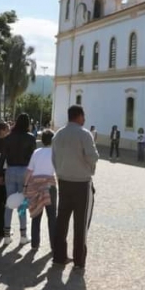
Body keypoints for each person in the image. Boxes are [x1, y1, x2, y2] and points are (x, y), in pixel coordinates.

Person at [51, 105, 99, 268]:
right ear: (79, 116)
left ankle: (59, 256)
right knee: (80, 223)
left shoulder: (58, 134)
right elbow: (93, 157)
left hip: (63, 182)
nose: (84, 119)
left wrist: (61, 172)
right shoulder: (84, 134)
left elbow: (54, 158)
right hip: (81, 184)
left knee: (62, 220)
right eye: (83, 116)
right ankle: (79, 260)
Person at [2, 113, 37, 245]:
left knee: (9, 203)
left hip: (10, 170)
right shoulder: (31, 138)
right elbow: (33, 158)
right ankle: (23, 235)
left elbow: (3, 157)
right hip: (24, 171)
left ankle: (6, 235)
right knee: (22, 203)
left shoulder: (8, 138)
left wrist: (0, 173)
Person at [25, 129, 57, 251]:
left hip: (35, 186)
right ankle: (54, 245)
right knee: (52, 216)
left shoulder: (36, 152)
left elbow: (29, 171)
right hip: (49, 185)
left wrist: (25, 186)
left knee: (36, 214)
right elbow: (58, 170)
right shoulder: (55, 153)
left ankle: (34, 244)